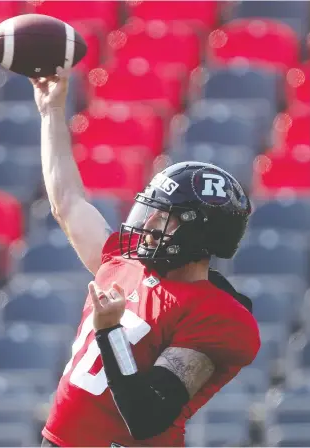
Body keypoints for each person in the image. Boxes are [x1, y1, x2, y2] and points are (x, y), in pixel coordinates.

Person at [30, 67, 260, 448]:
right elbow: (67, 203)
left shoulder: (219, 317)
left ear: (197, 233)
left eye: (163, 217)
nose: (148, 224)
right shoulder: (124, 261)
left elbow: (147, 414)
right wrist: (51, 111)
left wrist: (109, 332)